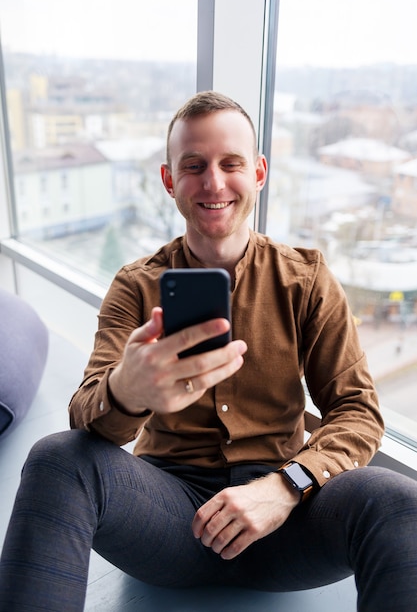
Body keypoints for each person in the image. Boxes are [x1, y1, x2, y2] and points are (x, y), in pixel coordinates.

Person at [1, 91, 417, 612]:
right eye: (193, 166)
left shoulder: (307, 280)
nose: (214, 182)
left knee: (398, 499)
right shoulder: (135, 286)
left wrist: (284, 487)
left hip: (285, 519)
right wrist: (126, 391)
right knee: (57, 459)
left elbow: (357, 411)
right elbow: (86, 413)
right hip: (169, 522)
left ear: (259, 173)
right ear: (169, 180)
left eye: (231, 164)